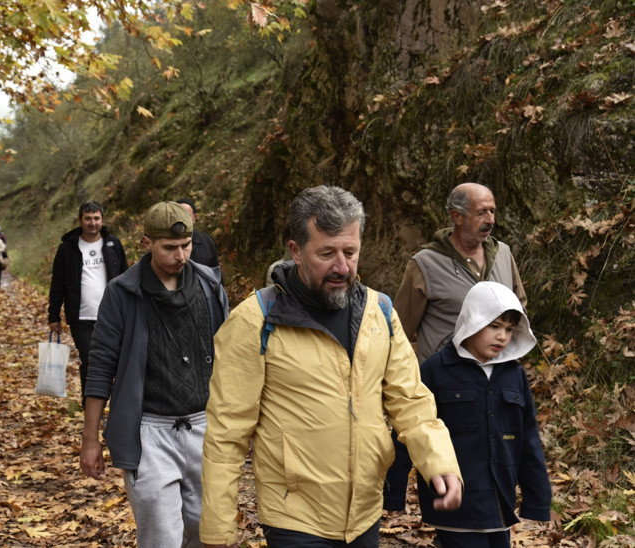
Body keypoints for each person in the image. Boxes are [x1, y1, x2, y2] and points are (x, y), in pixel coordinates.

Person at [199, 185, 462, 548]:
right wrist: (217, 528)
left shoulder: (380, 312)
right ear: (296, 250)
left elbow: (411, 401)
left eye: (350, 252)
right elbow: (227, 432)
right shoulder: (255, 321)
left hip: (366, 512)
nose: (342, 266)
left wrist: (439, 460)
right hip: (295, 519)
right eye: (327, 253)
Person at [80, 201, 229, 548]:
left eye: (186, 245)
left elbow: (232, 357)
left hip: (206, 427)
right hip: (149, 432)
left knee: (210, 536)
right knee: (162, 538)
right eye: (170, 248)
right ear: (147, 243)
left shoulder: (210, 286)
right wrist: (90, 438)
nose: (180, 255)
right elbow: (101, 365)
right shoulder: (122, 293)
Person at [384, 281, 551, 548]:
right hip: (455, 501)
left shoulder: (514, 374)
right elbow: (409, 428)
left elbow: (528, 439)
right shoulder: (436, 370)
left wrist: (537, 500)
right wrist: (393, 493)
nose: (502, 337)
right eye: (494, 326)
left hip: (500, 502)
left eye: (509, 329)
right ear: (471, 322)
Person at [394, 182, 527, 364]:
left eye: (492, 211)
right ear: (457, 216)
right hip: (445, 382)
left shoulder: (503, 253)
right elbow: (399, 332)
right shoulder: (425, 264)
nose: (491, 220)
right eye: (482, 212)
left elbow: (519, 312)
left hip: (496, 379)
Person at [47, 200, 129, 401]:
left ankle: (114, 404)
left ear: (102, 219)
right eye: (88, 218)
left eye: (96, 218)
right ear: (80, 220)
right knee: (90, 361)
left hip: (112, 316)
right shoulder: (67, 248)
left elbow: (126, 278)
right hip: (80, 317)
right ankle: (90, 406)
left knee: (115, 361)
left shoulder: (113, 244)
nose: (92, 223)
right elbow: (58, 283)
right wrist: (53, 314)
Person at [176, 198, 220, 269]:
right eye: (178, 216)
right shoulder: (165, 242)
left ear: (195, 217)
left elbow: (216, 273)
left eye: (187, 216)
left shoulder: (206, 241)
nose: (182, 220)